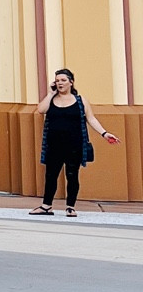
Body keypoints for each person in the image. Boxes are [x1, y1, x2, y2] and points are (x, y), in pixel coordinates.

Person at [31, 68, 118, 215]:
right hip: (54, 144)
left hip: (74, 145)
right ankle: (46, 206)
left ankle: (70, 206)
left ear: (71, 82)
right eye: (57, 81)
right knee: (51, 175)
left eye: (63, 80)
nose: (60, 83)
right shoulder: (52, 99)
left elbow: (91, 118)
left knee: (72, 175)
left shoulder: (80, 100)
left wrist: (104, 133)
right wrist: (51, 93)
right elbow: (41, 110)